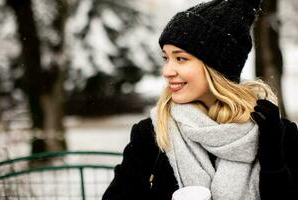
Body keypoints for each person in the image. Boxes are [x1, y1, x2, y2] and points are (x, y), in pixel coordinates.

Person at [102, 0, 298, 199]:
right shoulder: (152, 135)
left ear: (216, 68)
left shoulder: (277, 134)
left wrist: (273, 161)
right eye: (166, 58)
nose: (167, 71)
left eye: (180, 59)